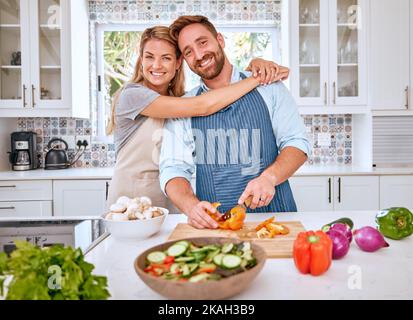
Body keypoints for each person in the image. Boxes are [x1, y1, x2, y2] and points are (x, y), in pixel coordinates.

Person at [106, 26, 289, 211]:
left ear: (179, 63)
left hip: (169, 202)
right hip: (128, 204)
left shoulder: (178, 100)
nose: (156, 65)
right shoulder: (132, 95)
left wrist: (254, 66)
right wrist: (257, 79)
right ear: (141, 59)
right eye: (149, 56)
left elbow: (215, 97)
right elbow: (203, 106)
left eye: (166, 58)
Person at [159, 15, 311, 228]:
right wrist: (190, 205)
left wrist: (269, 178)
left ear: (219, 40)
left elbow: (297, 143)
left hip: (275, 220)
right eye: (188, 51)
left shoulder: (268, 86)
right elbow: (172, 169)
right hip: (215, 224)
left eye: (203, 42)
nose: (199, 55)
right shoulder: (184, 107)